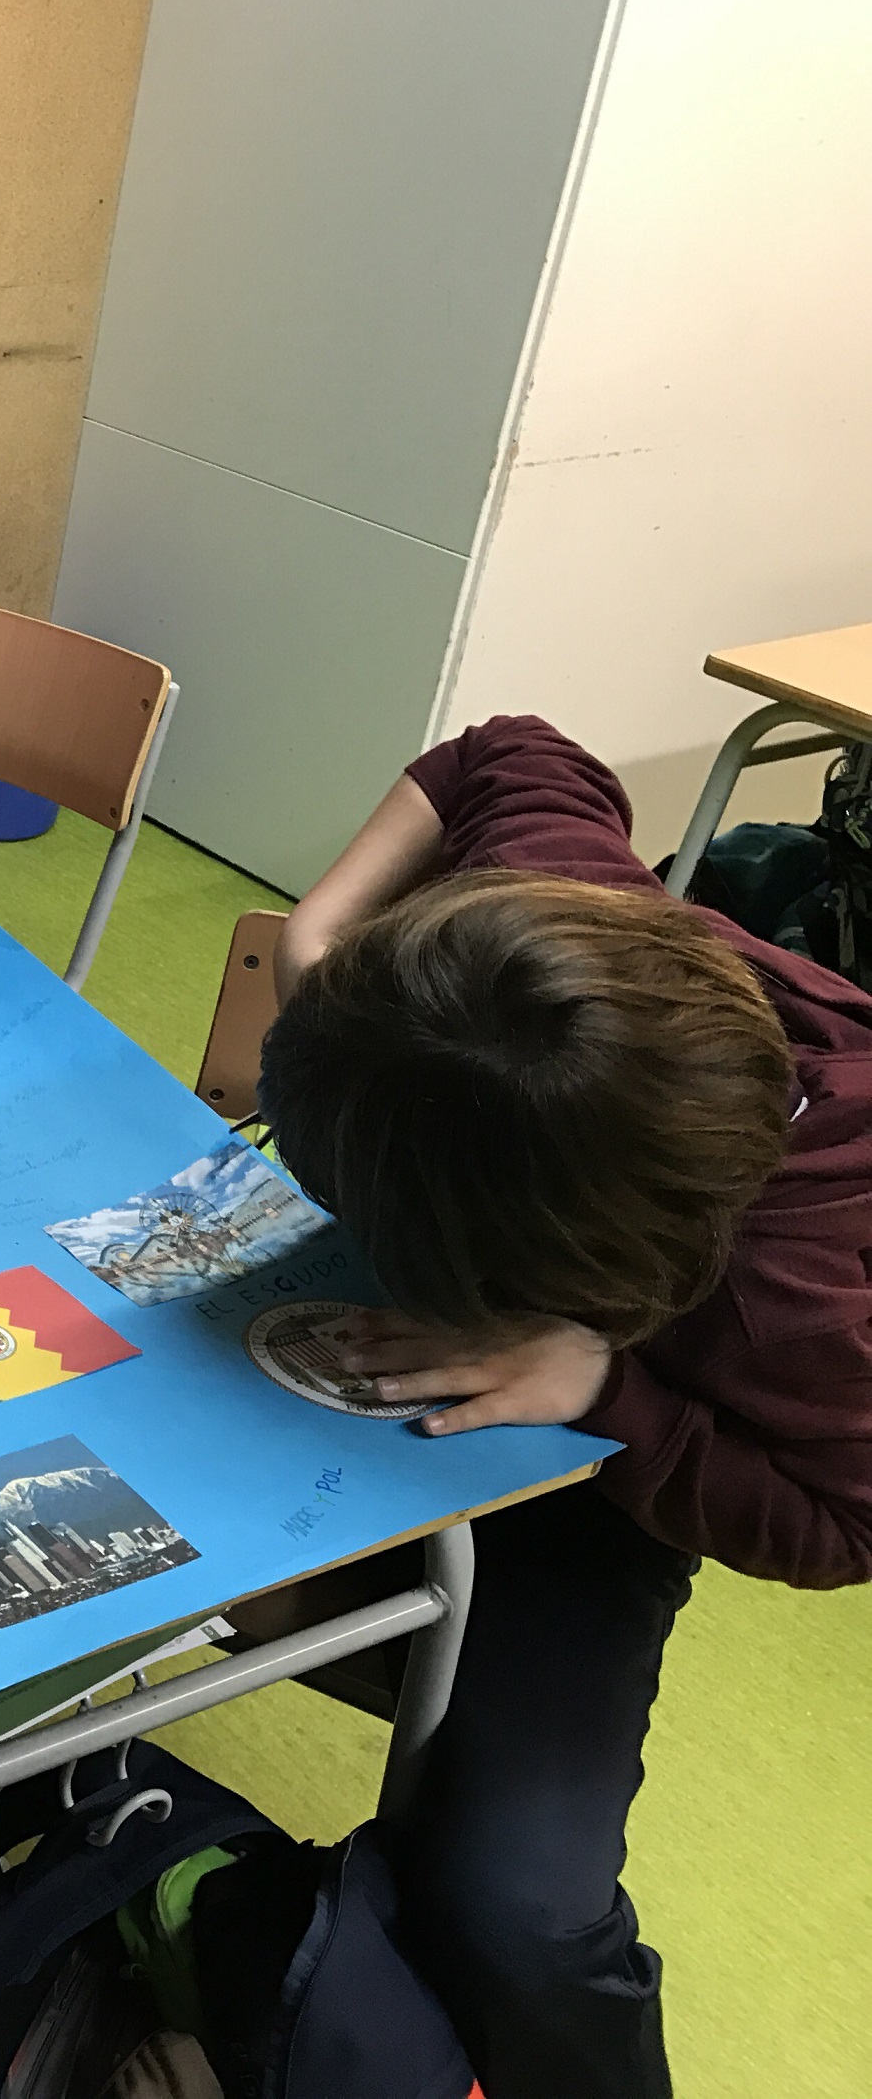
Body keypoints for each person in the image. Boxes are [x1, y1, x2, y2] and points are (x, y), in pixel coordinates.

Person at [258, 714, 872, 2099]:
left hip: (616, 1477)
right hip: (433, 1353)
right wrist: (318, 939)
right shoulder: (552, 925)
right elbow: (511, 752)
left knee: (517, 1904)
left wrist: (607, 1390)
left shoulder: (788, 1294)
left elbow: (845, 1522)